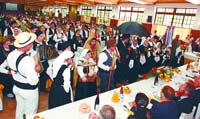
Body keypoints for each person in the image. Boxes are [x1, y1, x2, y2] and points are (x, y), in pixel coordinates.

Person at [1, 32, 39, 119]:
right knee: (30, 113)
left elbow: (1, 68)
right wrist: (37, 71)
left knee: (20, 109)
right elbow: (33, 82)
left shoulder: (10, 54)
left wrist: (9, 72)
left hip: (16, 88)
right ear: (28, 45)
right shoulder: (28, 60)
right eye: (31, 43)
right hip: (28, 91)